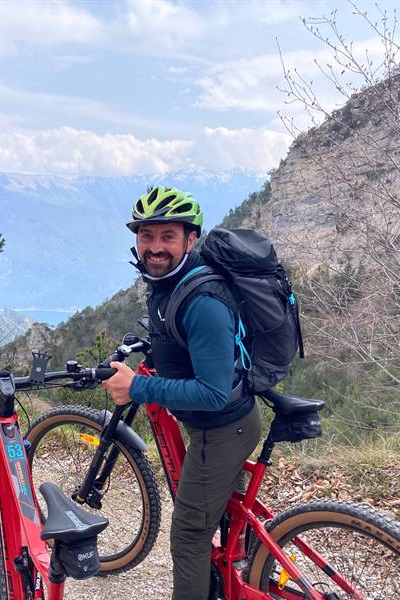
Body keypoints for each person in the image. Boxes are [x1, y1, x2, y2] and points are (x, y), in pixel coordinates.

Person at [101, 186, 262, 600]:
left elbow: (212, 393)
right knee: (221, 519)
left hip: (221, 429)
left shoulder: (202, 300)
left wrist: (137, 386)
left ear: (190, 240)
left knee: (189, 535)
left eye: (167, 236)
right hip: (223, 426)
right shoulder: (171, 282)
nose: (155, 248)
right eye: (147, 235)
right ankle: (234, 577)